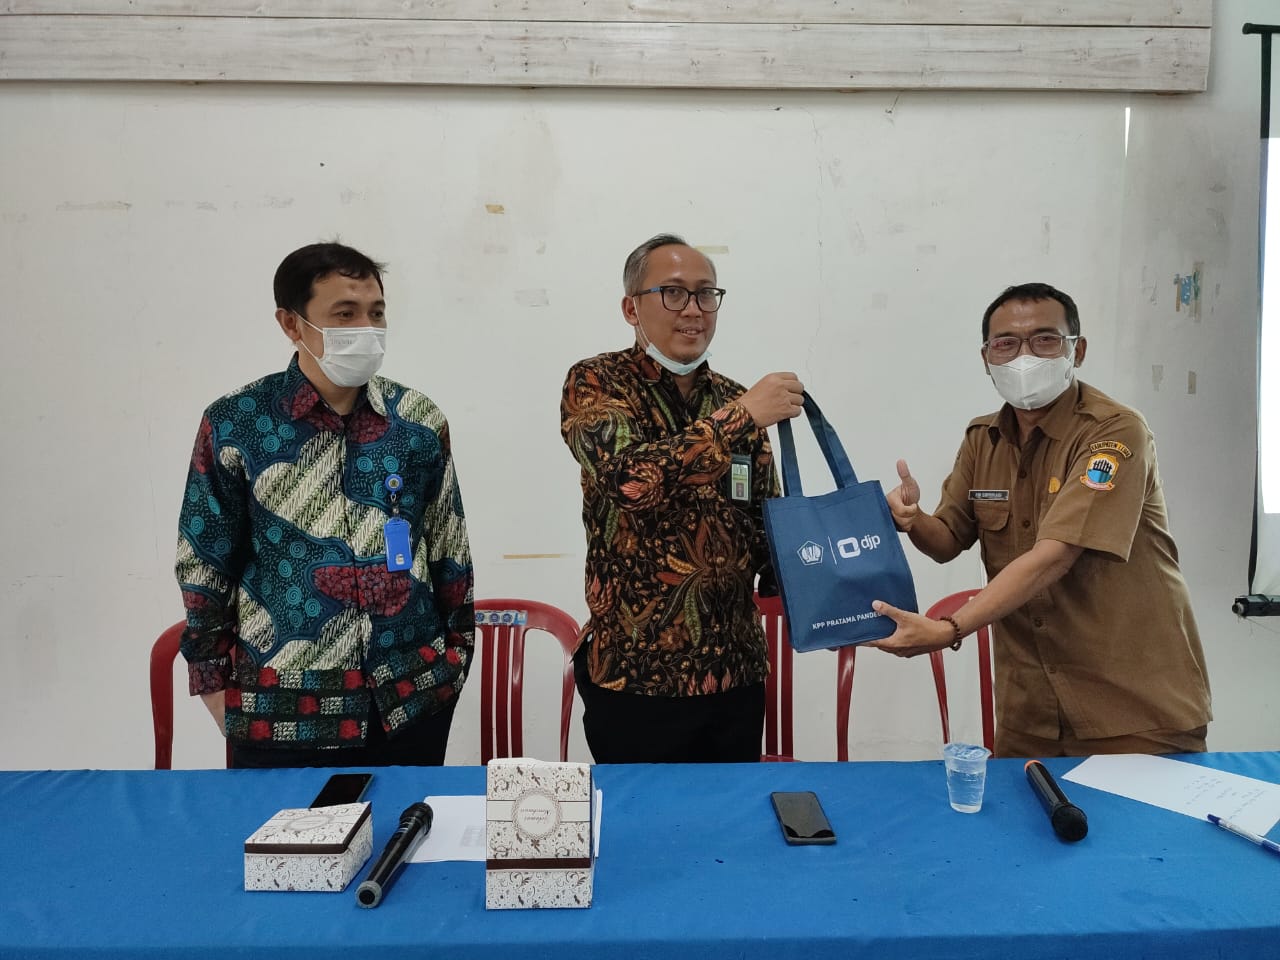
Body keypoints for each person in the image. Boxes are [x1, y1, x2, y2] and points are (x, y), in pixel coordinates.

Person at [871, 282, 1211, 758]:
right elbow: (947, 539)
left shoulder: (1113, 432)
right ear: (986, 357)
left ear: (1078, 350)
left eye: (1045, 340)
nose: (1024, 357)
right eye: (1006, 343)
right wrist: (912, 520)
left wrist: (949, 629)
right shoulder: (983, 439)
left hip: (1131, 707)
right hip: (1031, 712)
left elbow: (1055, 555)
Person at [175, 242, 473, 767]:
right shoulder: (237, 424)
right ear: (291, 323)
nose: (367, 328)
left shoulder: (417, 421)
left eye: (376, 313)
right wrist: (212, 684)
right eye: (345, 314)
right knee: (286, 826)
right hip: (280, 708)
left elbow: (450, 549)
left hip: (409, 700)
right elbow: (204, 560)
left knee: (410, 822)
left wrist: (454, 658)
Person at [560, 233, 804, 763]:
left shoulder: (735, 398)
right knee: (639, 816)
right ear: (631, 308)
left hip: (734, 675)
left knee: (730, 815)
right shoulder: (596, 382)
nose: (693, 309)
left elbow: (766, 534)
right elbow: (630, 481)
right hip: (633, 676)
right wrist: (741, 418)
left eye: (705, 293)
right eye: (673, 293)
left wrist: (860, 528)